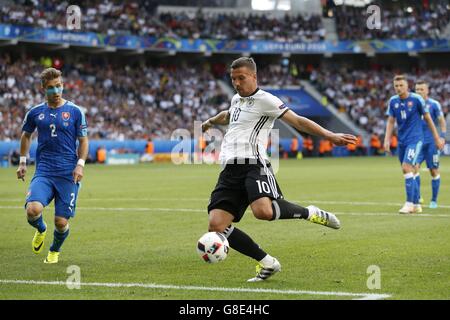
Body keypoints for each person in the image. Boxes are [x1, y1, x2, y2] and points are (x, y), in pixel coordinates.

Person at [201, 57, 356, 282]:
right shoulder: (236, 99)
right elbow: (227, 115)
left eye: (241, 78)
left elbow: (298, 121)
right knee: (217, 226)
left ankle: (310, 213)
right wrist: (210, 121)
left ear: (254, 77)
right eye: (233, 79)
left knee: (263, 212)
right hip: (229, 170)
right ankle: (268, 263)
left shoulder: (267, 100)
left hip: (254, 163)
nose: (236, 83)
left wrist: (330, 135)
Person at [16, 68, 89, 264]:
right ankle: (41, 229)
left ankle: (54, 250)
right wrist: (23, 161)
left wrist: (80, 165)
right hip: (45, 171)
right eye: (50, 88)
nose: (55, 92)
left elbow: (83, 141)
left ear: (63, 85)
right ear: (43, 89)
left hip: (68, 173)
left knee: (61, 222)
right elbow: (26, 135)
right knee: (32, 210)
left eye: (58, 86)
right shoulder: (35, 113)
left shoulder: (75, 111)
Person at [383, 75, 444, 214]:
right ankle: (416, 204)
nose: (398, 88)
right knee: (410, 170)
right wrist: (387, 139)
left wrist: (437, 138)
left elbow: (428, 119)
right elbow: (391, 121)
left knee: (407, 167)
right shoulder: (393, 101)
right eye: (396, 86)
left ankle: (409, 203)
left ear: (407, 86)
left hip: (416, 140)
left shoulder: (416, 99)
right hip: (402, 141)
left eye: (401, 85)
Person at [414, 80, 446, 209]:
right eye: (417, 90)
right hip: (417, 143)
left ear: (427, 90)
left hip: (431, 143)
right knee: (413, 168)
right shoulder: (412, 104)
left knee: (433, 171)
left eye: (421, 89)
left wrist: (442, 137)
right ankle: (417, 196)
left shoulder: (434, 104)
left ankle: (433, 200)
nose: (419, 92)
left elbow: (442, 122)